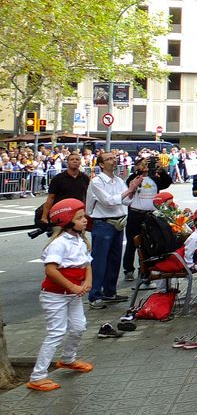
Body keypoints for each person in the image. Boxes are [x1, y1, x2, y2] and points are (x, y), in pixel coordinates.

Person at [25, 199, 93, 392]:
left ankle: (68, 359)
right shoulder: (59, 244)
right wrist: (72, 286)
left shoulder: (80, 240)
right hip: (54, 296)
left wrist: (87, 282)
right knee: (56, 332)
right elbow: (51, 271)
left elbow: (87, 264)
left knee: (79, 327)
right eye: (79, 218)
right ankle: (37, 376)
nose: (85, 220)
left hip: (73, 295)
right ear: (66, 220)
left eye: (83, 216)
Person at [84, 151, 136, 309]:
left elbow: (126, 201)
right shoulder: (97, 182)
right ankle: (94, 296)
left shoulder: (118, 180)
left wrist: (133, 190)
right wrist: (130, 189)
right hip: (103, 223)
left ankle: (109, 292)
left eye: (114, 158)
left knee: (114, 259)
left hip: (117, 222)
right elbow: (108, 201)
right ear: (101, 164)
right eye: (109, 159)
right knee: (99, 261)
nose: (113, 161)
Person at [122, 154, 172, 281]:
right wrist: (140, 172)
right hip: (135, 214)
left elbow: (167, 183)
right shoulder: (134, 178)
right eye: (142, 164)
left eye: (147, 163)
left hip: (150, 215)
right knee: (132, 243)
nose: (145, 166)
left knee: (149, 243)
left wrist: (161, 170)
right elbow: (131, 184)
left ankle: (145, 271)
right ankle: (128, 269)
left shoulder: (154, 178)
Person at [40, 152, 89, 224]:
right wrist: (44, 217)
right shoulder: (58, 178)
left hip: (78, 213)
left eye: (77, 159)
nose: (75, 161)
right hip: (62, 212)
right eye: (72, 159)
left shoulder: (85, 178)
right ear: (67, 162)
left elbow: (87, 196)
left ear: (80, 162)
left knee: (79, 234)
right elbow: (51, 198)